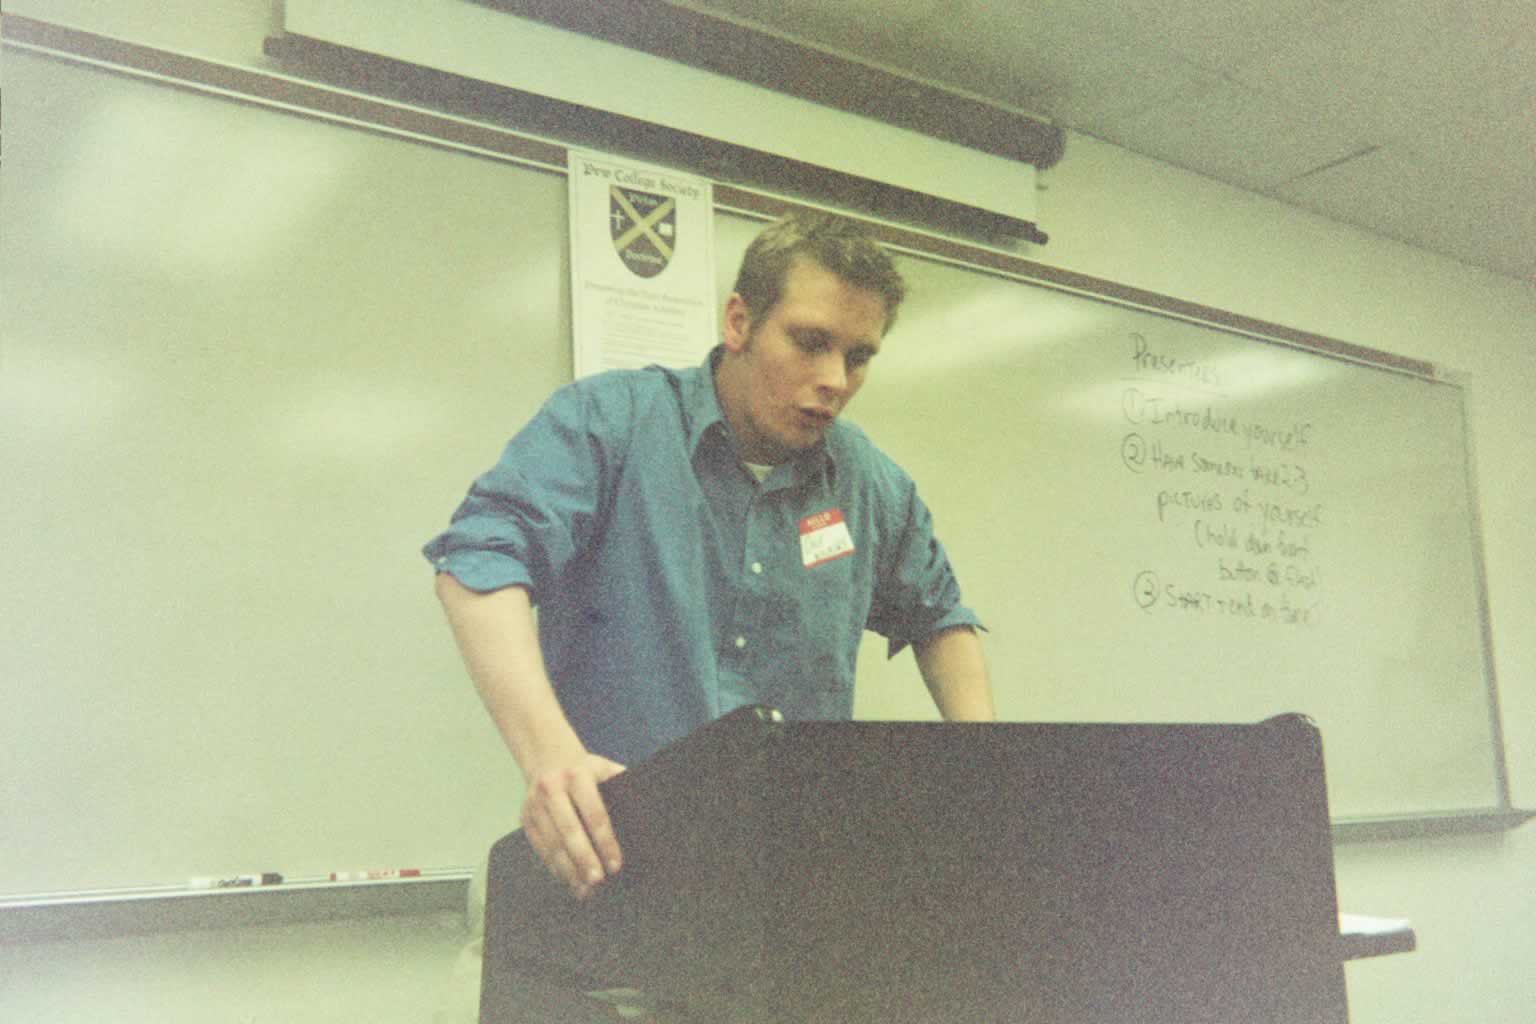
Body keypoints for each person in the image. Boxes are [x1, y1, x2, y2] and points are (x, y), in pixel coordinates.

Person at [425, 211, 994, 909]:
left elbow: (940, 618)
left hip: (787, 884)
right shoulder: (612, 424)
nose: (834, 380)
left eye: (858, 356)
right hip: (612, 875)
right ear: (739, 321)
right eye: (809, 342)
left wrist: (985, 782)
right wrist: (549, 757)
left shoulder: (869, 483)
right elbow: (478, 558)